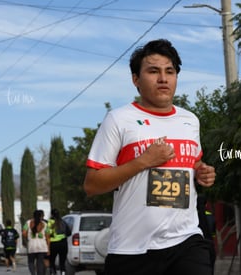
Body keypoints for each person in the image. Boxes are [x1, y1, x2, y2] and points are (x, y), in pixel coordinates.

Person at [83, 39, 216, 275]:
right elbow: (92, 184)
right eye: (153, 71)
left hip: (186, 240)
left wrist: (201, 171)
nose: (163, 79)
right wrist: (143, 161)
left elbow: (192, 162)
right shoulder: (119, 120)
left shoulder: (190, 120)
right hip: (132, 249)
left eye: (170, 71)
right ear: (136, 79)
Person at [22, 210, 50, 275]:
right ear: (41, 216)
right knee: (40, 263)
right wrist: (48, 249)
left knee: (31, 262)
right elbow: (48, 238)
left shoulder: (28, 223)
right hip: (42, 247)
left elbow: (24, 233)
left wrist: (28, 238)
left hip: (32, 246)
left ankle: (33, 273)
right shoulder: (45, 224)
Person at [48, 209, 71, 275]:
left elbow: (47, 233)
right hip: (63, 243)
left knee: (52, 261)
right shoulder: (63, 222)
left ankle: (53, 272)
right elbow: (69, 233)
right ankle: (63, 273)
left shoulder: (49, 222)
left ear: (51, 214)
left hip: (53, 244)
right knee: (62, 262)